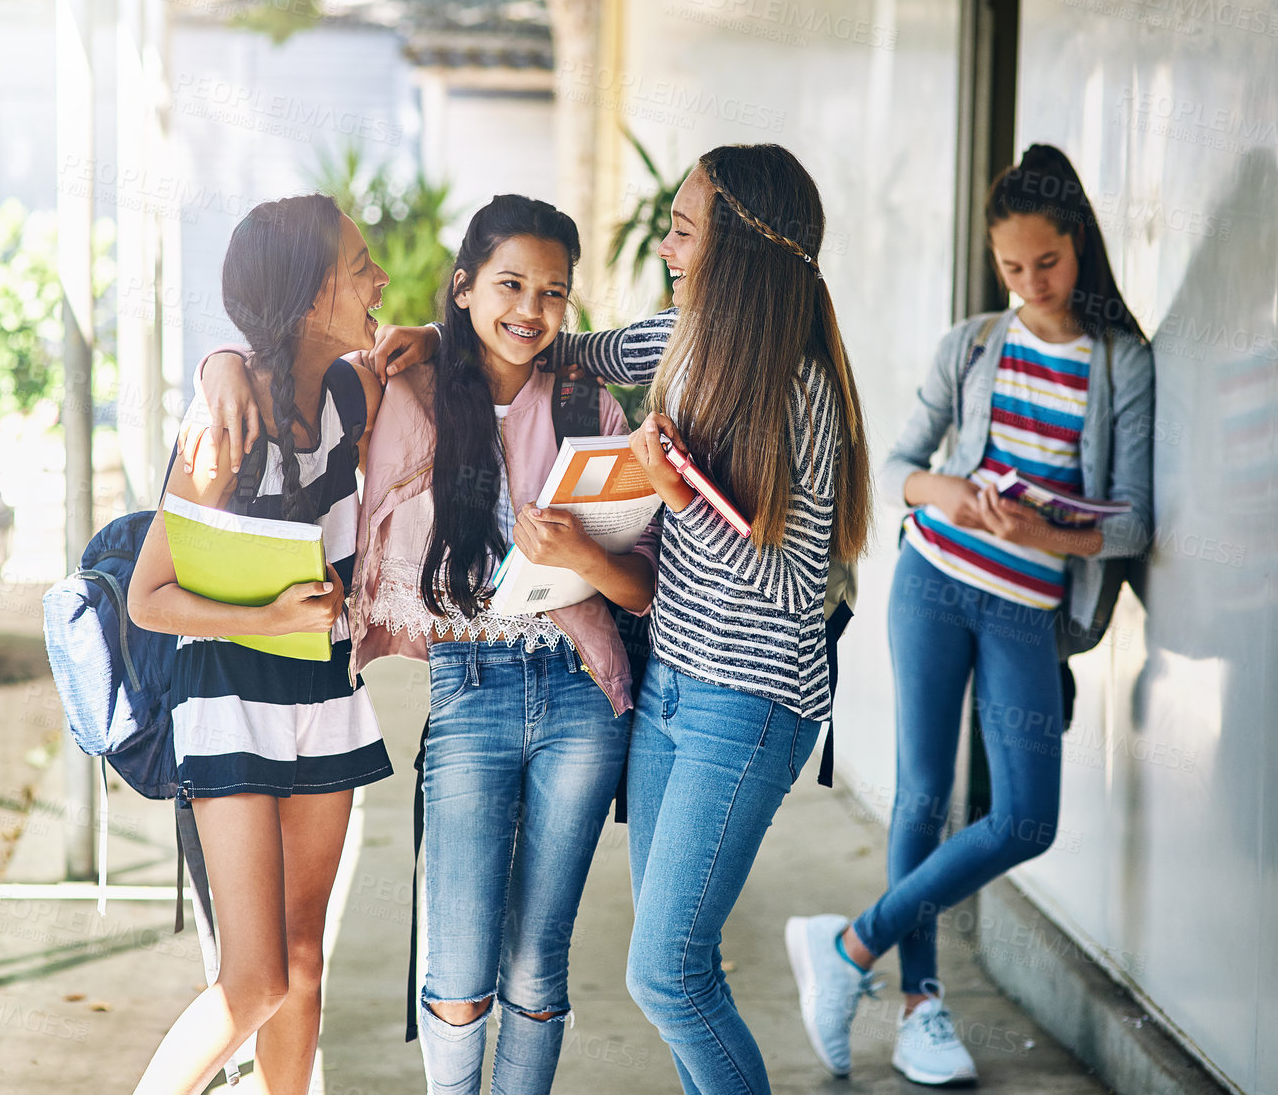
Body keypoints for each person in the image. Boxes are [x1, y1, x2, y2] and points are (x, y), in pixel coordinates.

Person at [201, 194, 657, 1095]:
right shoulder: (402, 389)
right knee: (454, 977)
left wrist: (580, 557)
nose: (530, 309)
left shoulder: (590, 403)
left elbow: (642, 588)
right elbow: (288, 359)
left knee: (536, 967)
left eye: (554, 292)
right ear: (465, 286)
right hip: (471, 687)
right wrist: (219, 359)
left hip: (580, 697)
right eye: (510, 284)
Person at [783, 144, 1153, 1085]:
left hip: (1026, 609)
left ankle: (848, 947)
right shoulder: (974, 344)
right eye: (1010, 268)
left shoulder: (1122, 363)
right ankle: (920, 1007)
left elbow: (1134, 521)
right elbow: (899, 467)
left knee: (1024, 818)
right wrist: (951, 492)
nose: (1030, 285)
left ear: (1082, 248)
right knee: (921, 796)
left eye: (1048, 263)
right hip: (935, 584)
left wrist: (1049, 531)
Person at [550, 142, 872, 1095]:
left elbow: (789, 592)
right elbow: (563, 349)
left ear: (737, 249)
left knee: (663, 973)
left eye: (684, 231)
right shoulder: (680, 342)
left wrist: (680, 500)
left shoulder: (801, 393)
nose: (669, 249)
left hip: (754, 701)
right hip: (672, 692)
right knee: (679, 968)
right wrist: (445, 336)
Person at [124, 195, 437, 1095]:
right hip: (229, 697)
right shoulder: (226, 425)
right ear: (306, 298)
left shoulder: (353, 388)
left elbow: (447, 357)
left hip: (326, 698)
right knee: (254, 976)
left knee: (304, 963)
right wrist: (274, 619)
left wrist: (432, 336)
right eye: (360, 266)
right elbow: (150, 599)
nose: (379, 279)